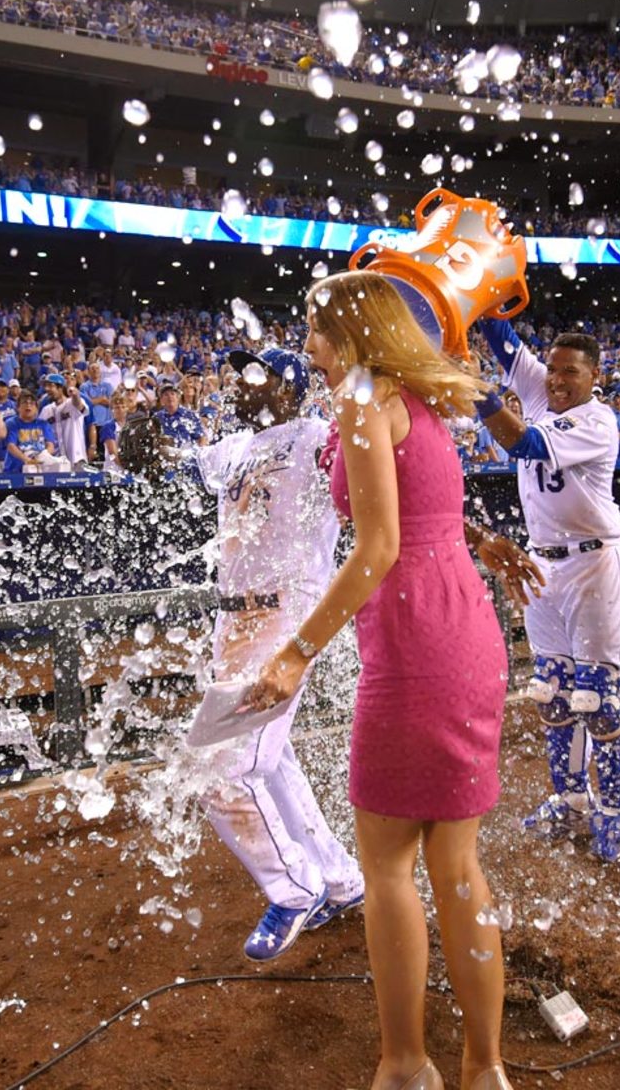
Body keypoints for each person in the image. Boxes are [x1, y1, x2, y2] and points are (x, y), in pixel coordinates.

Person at [247, 272, 521, 1090]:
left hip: (414, 646)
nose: (308, 350)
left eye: (315, 331)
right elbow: (425, 507)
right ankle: (485, 1070)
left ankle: (406, 1066)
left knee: (390, 864)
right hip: (463, 628)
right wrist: (481, 537)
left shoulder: (364, 395)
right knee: (458, 866)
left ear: (351, 331)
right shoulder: (416, 391)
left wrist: (296, 651)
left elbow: (376, 549)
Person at [187, 345, 365, 965]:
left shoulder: (314, 436)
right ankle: (339, 881)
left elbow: (362, 464)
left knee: (221, 769)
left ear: (285, 389)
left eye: (254, 374)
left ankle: (293, 889)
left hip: (286, 613)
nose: (240, 382)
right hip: (234, 617)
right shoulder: (235, 447)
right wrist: (148, 447)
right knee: (269, 759)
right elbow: (177, 467)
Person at [475, 320, 620, 864]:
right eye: (554, 368)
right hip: (544, 566)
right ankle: (569, 801)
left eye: (572, 371)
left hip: (593, 564)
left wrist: (475, 391)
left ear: (596, 376)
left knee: (602, 702)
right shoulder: (541, 390)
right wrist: (478, 286)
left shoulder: (597, 419)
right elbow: (499, 337)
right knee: (553, 694)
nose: (559, 379)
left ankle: (614, 812)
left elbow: (522, 441)